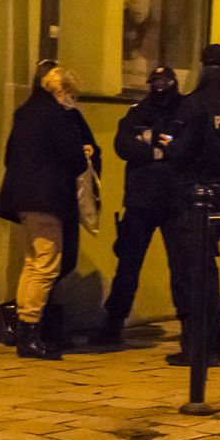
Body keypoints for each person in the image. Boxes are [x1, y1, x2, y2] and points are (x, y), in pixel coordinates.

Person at [0, 62, 101, 360]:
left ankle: (25, 330)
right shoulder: (57, 116)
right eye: (67, 90)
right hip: (48, 200)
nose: (70, 96)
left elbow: (9, 156)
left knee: (33, 263)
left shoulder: (24, 113)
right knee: (46, 265)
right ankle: (30, 335)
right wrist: (85, 155)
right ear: (56, 89)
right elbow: (75, 160)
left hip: (24, 201)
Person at [161, 44, 220, 365]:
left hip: (194, 196)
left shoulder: (195, 105)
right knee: (206, 266)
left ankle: (198, 345)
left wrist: (165, 145)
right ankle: (213, 341)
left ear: (203, 67)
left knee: (191, 272)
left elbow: (179, 150)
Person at [90, 66, 182, 346]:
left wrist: (150, 141)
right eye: (156, 81)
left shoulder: (184, 112)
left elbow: (182, 145)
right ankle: (113, 323)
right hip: (140, 203)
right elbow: (123, 146)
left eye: (165, 81)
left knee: (180, 267)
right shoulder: (138, 112)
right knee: (128, 266)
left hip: (173, 202)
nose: (160, 86)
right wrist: (158, 148)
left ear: (174, 83)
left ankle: (190, 325)